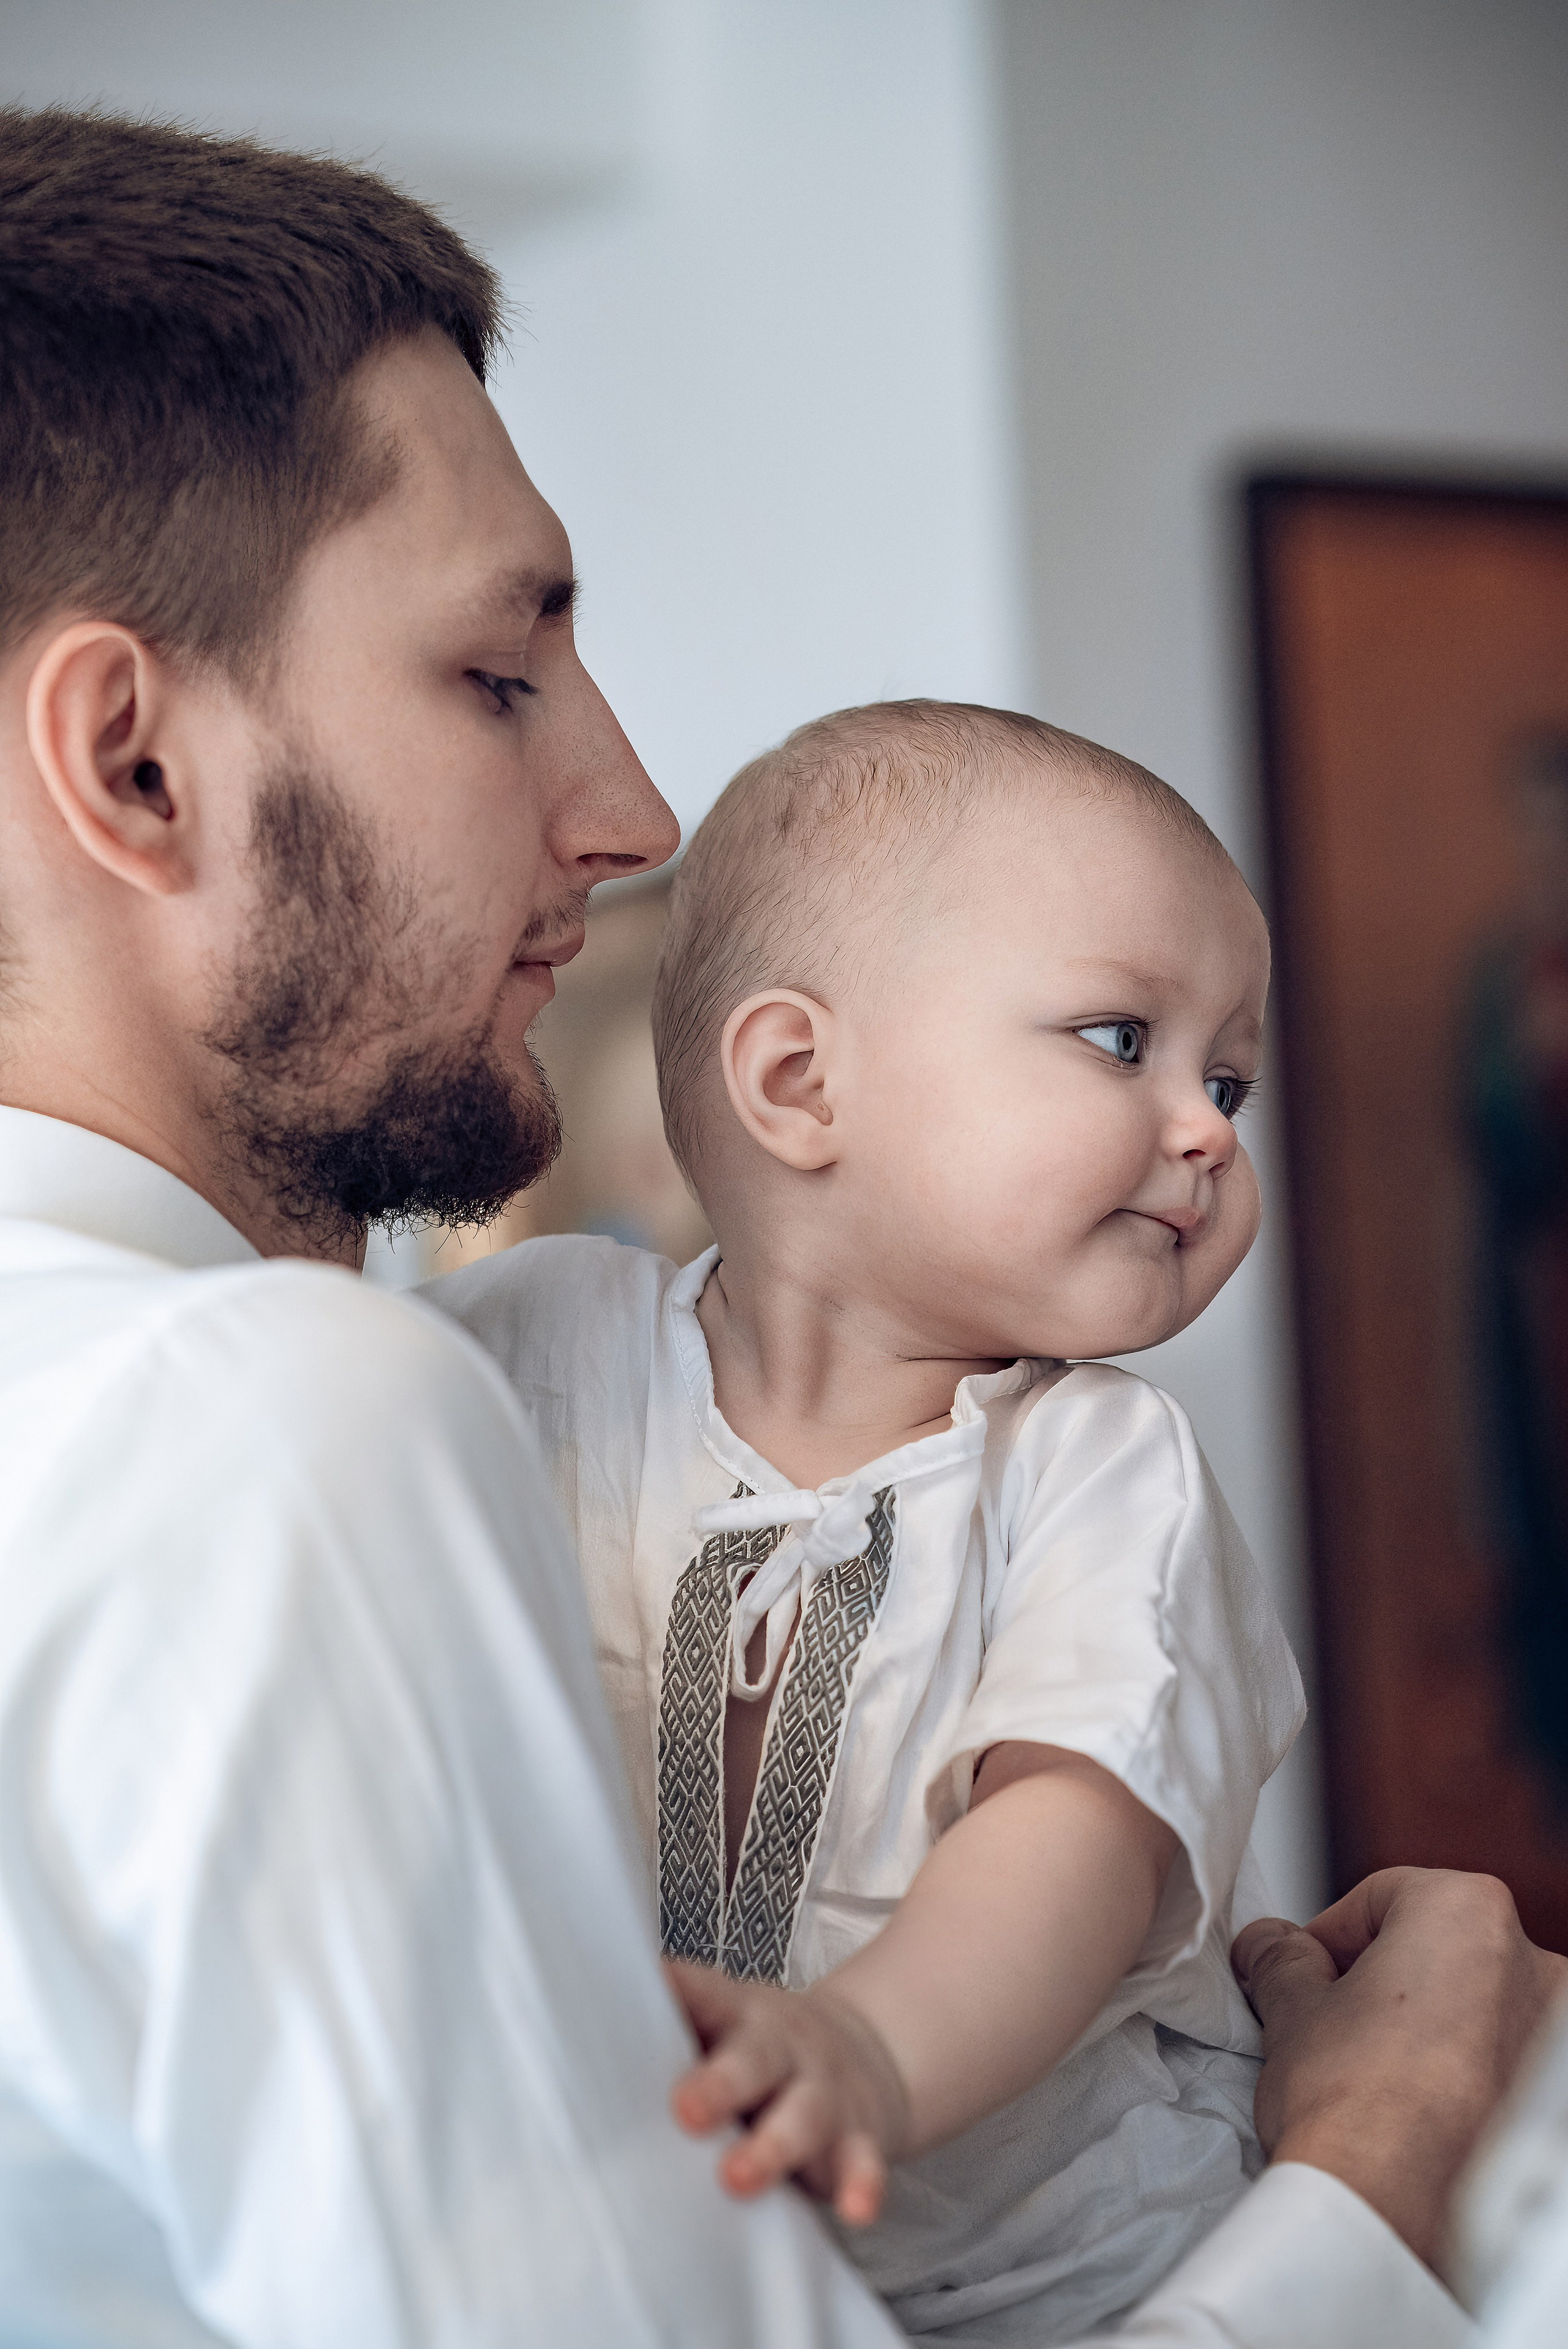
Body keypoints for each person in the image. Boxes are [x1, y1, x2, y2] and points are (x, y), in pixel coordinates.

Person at [0, 99, 1562, 2349]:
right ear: (138, 767)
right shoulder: (294, 1428)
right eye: (499, 669)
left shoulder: (1049, 1464)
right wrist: (1382, 2163)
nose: (634, 812)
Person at [423, 702, 1299, 2340]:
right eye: (1124, 1039)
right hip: (661, 2265)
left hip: (1073, 2280)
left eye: (1229, 1074)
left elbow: (1075, 1844)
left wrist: (871, 2053)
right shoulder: (541, 1350)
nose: (1209, 1129)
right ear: (799, 1079)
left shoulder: (1104, 1467)